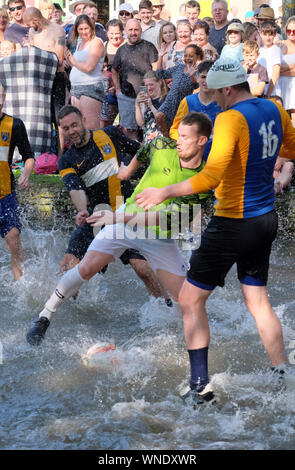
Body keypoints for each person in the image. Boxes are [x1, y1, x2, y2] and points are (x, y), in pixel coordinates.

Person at [135, 57, 295, 405]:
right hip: (265, 219)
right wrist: (274, 171)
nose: (213, 100)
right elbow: (290, 149)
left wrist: (164, 191)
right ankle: (283, 373)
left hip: (232, 222)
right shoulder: (274, 109)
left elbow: (211, 177)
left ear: (226, 88)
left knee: (190, 299)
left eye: (214, 92)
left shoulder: (229, 118)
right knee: (257, 300)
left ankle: (199, 386)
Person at [25, 111, 213, 346]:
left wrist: (115, 217)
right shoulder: (164, 145)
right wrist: (128, 171)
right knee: (85, 269)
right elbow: (144, 150)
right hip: (119, 219)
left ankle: (177, 345)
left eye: (185, 137)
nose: (178, 142)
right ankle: (44, 316)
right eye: (179, 135)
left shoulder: (203, 180)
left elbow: (166, 221)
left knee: (187, 300)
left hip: (155, 235)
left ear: (202, 141)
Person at [54, 105, 170, 305]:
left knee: (143, 270)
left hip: (126, 212)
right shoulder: (66, 161)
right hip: (97, 215)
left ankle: (168, 307)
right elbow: (75, 189)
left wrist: (163, 178)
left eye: (74, 125)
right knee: (67, 266)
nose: (71, 131)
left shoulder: (109, 134)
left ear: (83, 119)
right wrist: (81, 210)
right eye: (66, 128)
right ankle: (76, 314)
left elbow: (141, 154)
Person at [0, 81, 35, 281]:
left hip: (6, 194)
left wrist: (26, 174)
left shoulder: (14, 125)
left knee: (13, 238)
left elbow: (29, 156)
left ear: (3, 99)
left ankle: (21, 284)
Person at [23, 6, 66, 155]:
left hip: (56, 79)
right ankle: (44, 155)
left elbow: (59, 60)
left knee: (58, 118)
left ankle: (60, 155)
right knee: (41, 118)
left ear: (36, 20)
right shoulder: (32, 31)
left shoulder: (58, 31)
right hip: (39, 80)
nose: (29, 27)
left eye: (29, 24)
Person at [111, 18, 158, 140]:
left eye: (136, 29)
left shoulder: (149, 47)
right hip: (126, 96)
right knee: (128, 131)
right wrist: (118, 90)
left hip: (146, 95)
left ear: (141, 30)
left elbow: (156, 69)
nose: (133, 32)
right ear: (125, 31)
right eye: (130, 30)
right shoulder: (121, 50)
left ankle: (146, 157)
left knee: (148, 129)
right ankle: (131, 158)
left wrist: (154, 91)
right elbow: (114, 70)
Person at [169, 60, 221, 160]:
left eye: (210, 77)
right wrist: (186, 141)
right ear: (197, 77)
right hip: (194, 158)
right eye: (203, 77)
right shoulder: (188, 102)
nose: (206, 81)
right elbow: (174, 129)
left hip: (217, 157)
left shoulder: (223, 102)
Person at [65, 15, 105, 130]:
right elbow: (77, 66)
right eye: (80, 29)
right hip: (76, 88)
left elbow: (89, 67)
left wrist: (73, 61)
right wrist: (68, 58)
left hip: (90, 87)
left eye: (86, 28)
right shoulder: (79, 43)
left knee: (90, 127)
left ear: (91, 28)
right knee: (79, 127)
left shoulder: (96, 42)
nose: (84, 32)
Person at [155, 44, 204, 136]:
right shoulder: (178, 67)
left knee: (179, 129)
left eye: (191, 56)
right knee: (158, 116)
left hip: (183, 104)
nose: (188, 58)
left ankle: (175, 142)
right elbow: (160, 74)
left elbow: (195, 86)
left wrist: (191, 76)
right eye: (185, 55)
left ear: (197, 57)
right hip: (170, 101)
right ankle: (167, 139)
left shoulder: (198, 70)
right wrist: (160, 57)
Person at [135, 70, 167, 144]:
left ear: (160, 83)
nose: (148, 88)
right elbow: (141, 123)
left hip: (161, 141)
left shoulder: (166, 99)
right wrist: (137, 105)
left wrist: (151, 105)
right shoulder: (146, 100)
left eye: (151, 84)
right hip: (148, 141)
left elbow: (162, 120)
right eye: (146, 85)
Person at [276, 16, 295, 123]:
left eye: (294, 31)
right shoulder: (280, 45)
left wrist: (281, 69)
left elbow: (278, 68)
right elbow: (274, 67)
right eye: (289, 30)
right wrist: (291, 68)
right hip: (280, 86)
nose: (291, 33)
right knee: (280, 119)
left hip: (293, 88)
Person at [257, 21, 281, 98]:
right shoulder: (259, 51)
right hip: (261, 90)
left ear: (275, 34)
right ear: (260, 34)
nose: (267, 38)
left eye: (270, 34)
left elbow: (276, 73)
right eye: (265, 34)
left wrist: (268, 94)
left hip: (272, 92)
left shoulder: (275, 49)